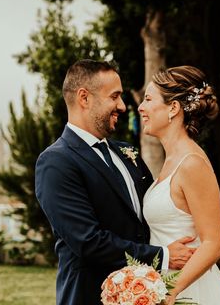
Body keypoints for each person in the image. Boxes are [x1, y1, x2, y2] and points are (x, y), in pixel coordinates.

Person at [35, 59, 195, 305]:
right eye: (114, 96)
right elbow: (88, 242)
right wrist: (162, 256)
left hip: (149, 293)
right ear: (84, 98)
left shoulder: (126, 152)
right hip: (91, 296)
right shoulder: (56, 162)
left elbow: (151, 213)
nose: (122, 106)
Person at [139, 65, 220, 304]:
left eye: (148, 99)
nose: (141, 107)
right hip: (164, 282)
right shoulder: (170, 161)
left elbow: (214, 244)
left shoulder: (192, 163)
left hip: (189, 288)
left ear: (173, 108)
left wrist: (170, 291)